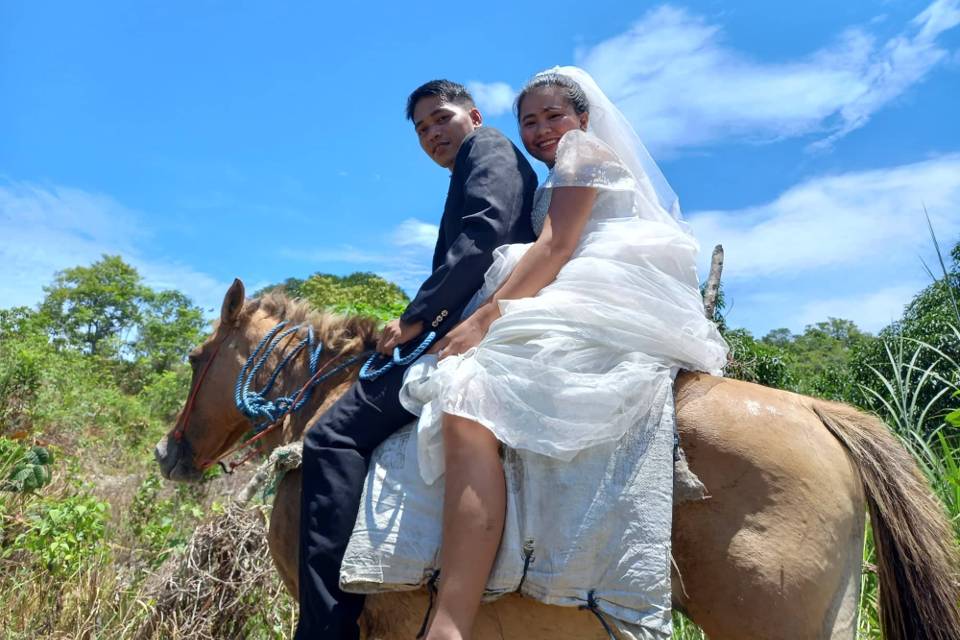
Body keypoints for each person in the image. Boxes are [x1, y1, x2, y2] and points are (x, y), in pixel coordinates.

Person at [401, 67, 729, 640]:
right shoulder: (567, 165)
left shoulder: (583, 152)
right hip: (587, 275)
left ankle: (450, 621)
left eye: (554, 115)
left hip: (595, 279)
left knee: (467, 396)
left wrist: (481, 320)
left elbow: (556, 246)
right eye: (529, 120)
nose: (541, 128)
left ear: (582, 116)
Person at [295, 80, 538, 640]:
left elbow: (483, 235)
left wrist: (416, 319)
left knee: (330, 437)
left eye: (441, 118)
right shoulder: (481, 158)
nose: (432, 134)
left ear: (472, 116)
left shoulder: (490, 147)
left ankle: (325, 628)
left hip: (476, 322)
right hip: (473, 313)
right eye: (422, 130)